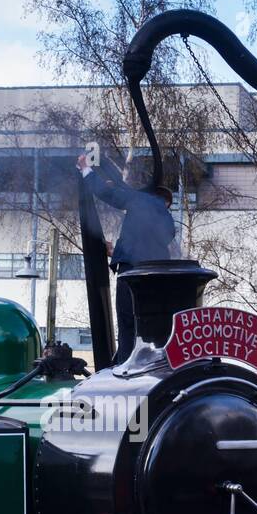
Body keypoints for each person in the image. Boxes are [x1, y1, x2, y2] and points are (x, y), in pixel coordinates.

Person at [77, 152, 178, 363]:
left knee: (127, 322)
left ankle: (126, 363)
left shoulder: (143, 200)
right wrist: (119, 251)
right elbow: (150, 244)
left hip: (132, 273)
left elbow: (109, 195)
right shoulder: (164, 217)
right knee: (147, 323)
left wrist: (86, 169)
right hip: (156, 278)